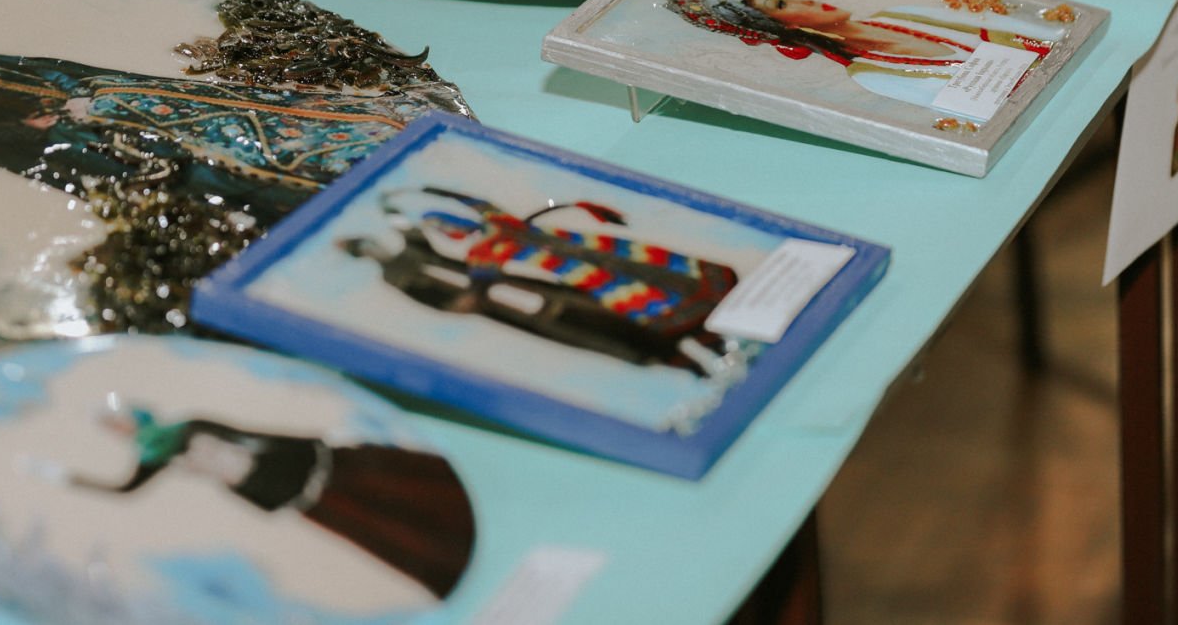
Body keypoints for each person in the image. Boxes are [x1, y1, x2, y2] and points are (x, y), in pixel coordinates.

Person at [0, 31, 425, 226]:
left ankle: (369, 141)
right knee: (210, 165)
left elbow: (41, 65)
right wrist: (51, 121)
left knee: (249, 118)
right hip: (90, 133)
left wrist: (80, 92)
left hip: (110, 97)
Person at [69, 406, 475, 600]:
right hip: (257, 484)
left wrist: (305, 443)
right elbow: (127, 489)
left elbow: (245, 433)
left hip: (275, 465)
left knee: (375, 488)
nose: (119, 430)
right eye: (113, 428)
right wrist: (74, 480)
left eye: (118, 422)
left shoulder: (190, 426)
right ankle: (449, 561)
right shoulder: (154, 457)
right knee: (363, 521)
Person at [342, 186, 743, 378]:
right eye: (443, 229)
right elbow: (481, 280)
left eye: (448, 224)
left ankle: (722, 334)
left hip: (595, 251)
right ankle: (706, 349)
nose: (450, 230)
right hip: (584, 272)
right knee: (644, 302)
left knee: (662, 277)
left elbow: (474, 202)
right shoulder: (483, 252)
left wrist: (428, 191)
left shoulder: (495, 225)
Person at [660, 0, 1070, 112]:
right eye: (783, 5)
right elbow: (977, 109)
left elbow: (1047, 32)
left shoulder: (904, 14)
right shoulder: (873, 75)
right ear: (781, 27)